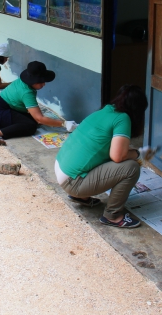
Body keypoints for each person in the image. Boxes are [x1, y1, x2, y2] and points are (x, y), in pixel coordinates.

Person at [55, 85, 155, 228]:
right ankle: (112, 216)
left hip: (62, 167)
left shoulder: (105, 110)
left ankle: (82, 197)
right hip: (73, 181)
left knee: (111, 155)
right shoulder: (123, 118)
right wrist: (139, 154)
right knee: (131, 168)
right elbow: (118, 157)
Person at [0, 61, 76, 145]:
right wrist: (64, 124)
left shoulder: (23, 82)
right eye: (41, 82)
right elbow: (40, 119)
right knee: (30, 126)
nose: (44, 84)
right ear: (33, 81)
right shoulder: (27, 93)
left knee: (32, 120)